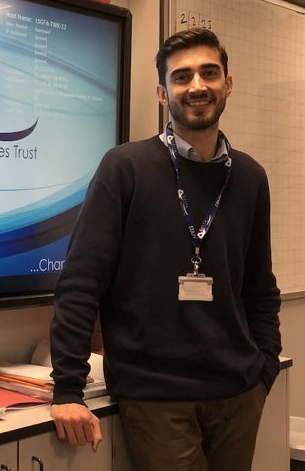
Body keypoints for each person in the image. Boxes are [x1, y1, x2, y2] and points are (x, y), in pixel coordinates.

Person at [48, 28, 282, 470]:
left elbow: (260, 286)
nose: (197, 86)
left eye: (209, 73)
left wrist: (263, 369)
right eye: (182, 76)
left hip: (238, 394)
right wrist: (67, 389)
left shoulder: (251, 177)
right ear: (162, 92)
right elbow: (81, 282)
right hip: (156, 399)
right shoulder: (125, 167)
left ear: (227, 84)